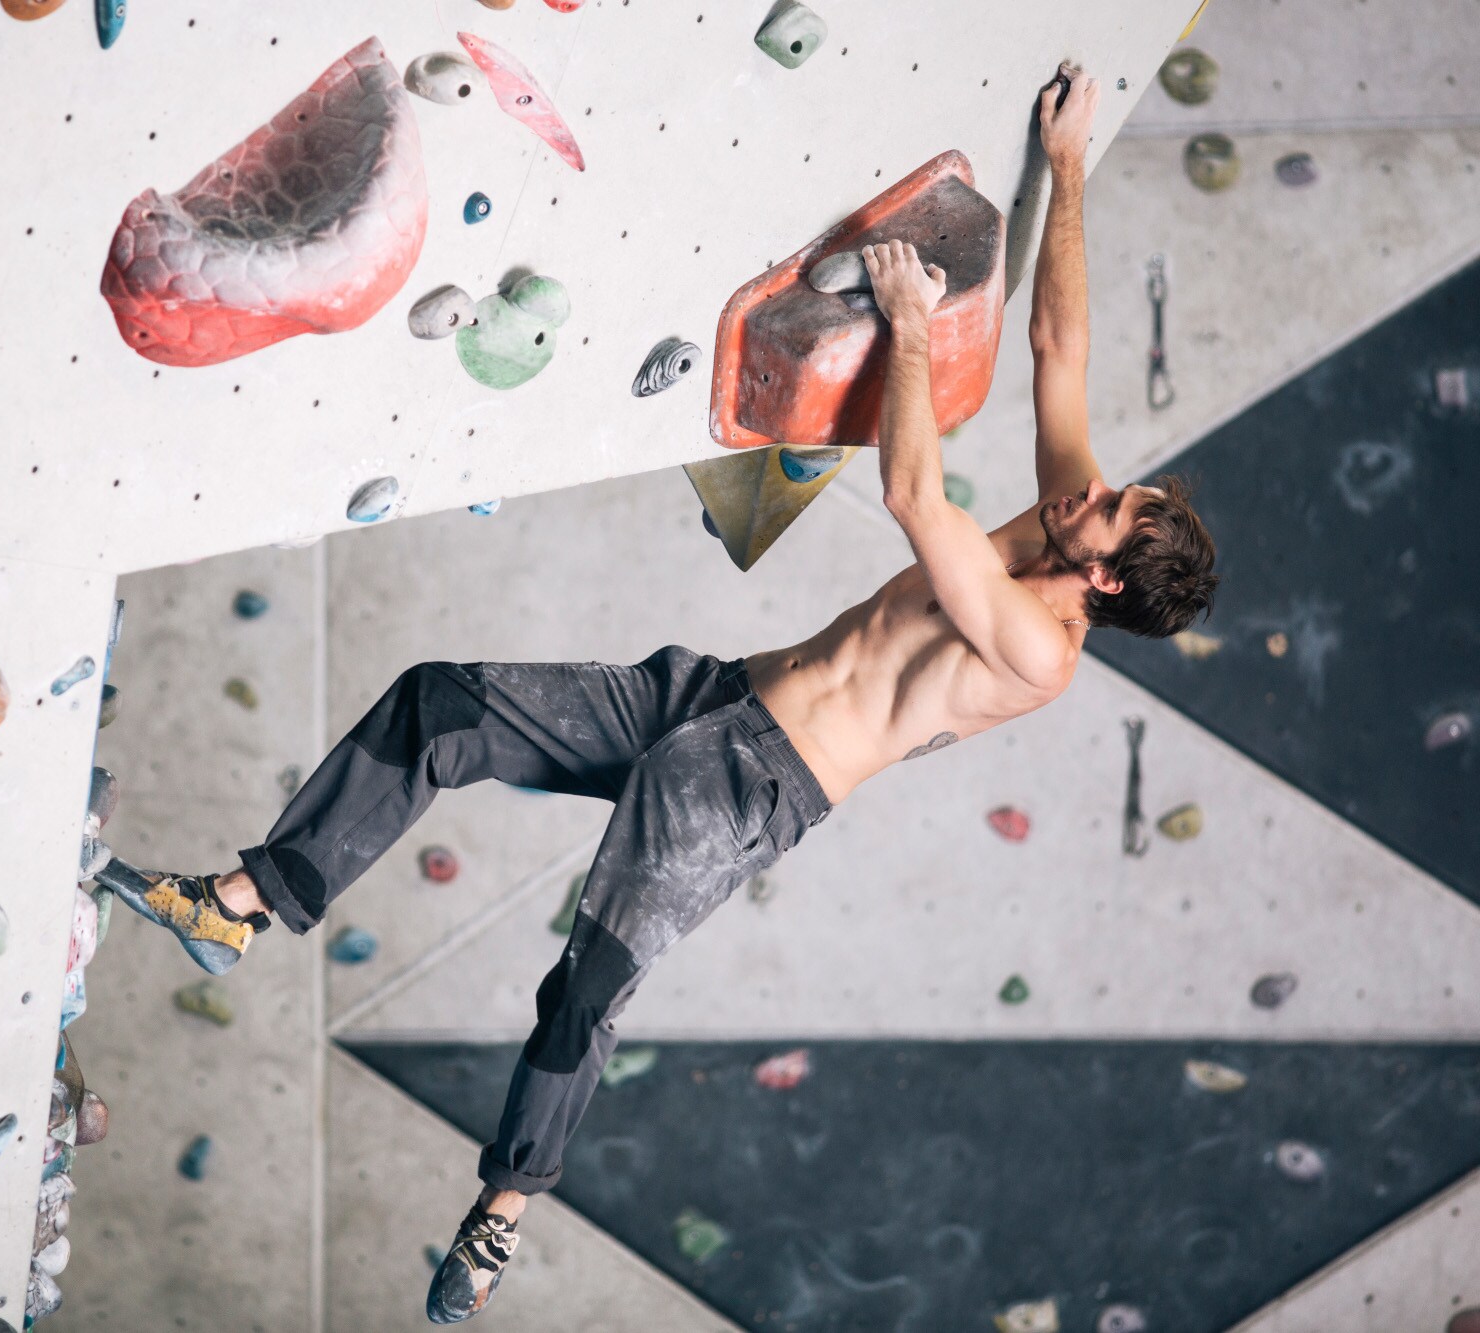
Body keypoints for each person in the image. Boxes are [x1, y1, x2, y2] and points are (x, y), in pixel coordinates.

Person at [104, 64, 1217, 1324]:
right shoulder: (1068, 529)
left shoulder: (1037, 646)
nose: (1085, 489)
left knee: (588, 978)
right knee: (440, 706)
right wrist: (1066, 171)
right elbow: (1057, 345)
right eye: (1112, 489)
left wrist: (910, 327)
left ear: (1110, 583)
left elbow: (916, 501)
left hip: (748, 788)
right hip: (707, 699)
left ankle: (501, 1211)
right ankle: (248, 899)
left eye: (1108, 510)